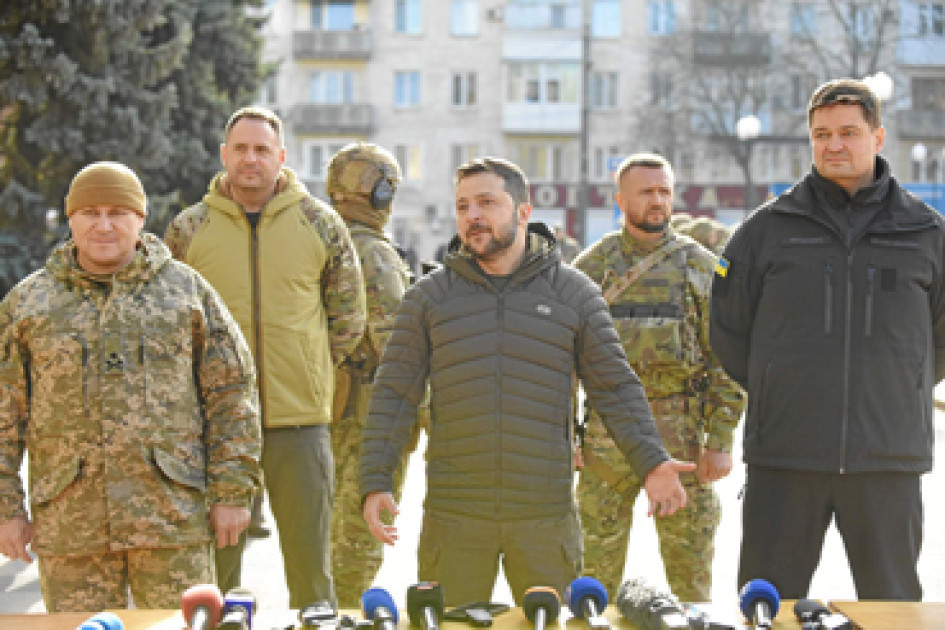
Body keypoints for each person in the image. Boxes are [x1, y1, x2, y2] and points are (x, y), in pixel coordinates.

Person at [359, 157, 695, 606]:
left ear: (521, 211)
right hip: (455, 517)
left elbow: (614, 387)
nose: (472, 216)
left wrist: (652, 463)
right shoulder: (428, 298)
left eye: (486, 202)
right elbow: (395, 394)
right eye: (462, 207)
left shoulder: (573, 293)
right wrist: (375, 480)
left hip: (545, 519)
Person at [710, 78, 945, 601]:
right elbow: (728, 329)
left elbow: (939, 337)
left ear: (878, 137)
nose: (833, 145)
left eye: (848, 132)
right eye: (821, 134)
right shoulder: (766, 229)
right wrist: (779, 385)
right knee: (767, 606)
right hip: (785, 456)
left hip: (888, 458)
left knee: (893, 607)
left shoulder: (926, 232)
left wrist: (895, 386)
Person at [0, 162, 261, 612]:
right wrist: (7, 508)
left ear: (140, 218)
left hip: (171, 521)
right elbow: (4, 414)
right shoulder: (29, 304)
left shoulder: (185, 292)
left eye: (118, 212)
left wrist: (233, 493)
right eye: (90, 212)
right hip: (71, 527)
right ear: (71, 219)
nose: (104, 225)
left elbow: (232, 394)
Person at [165, 107, 366, 607]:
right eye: (241, 149)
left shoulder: (319, 223)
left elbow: (348, 317)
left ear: (280, 157)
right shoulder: (191, 228)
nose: (250, 159)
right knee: (216, 572)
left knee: (310, 568)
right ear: (224, 155)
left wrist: (310, 368)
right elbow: (169, 324)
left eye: (261, 150)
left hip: (299, 424)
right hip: (215, 427)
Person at [573, 153, 745, 602]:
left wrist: (720, 441)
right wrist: (565, 436)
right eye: (646, 192)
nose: (657, 201)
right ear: (621, 200)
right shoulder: (591, 269)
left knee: (692, 584)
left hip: (683, 442)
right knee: (591, 580)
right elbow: (562, 360)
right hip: (605, 444)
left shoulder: (700, 267)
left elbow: (726, 359)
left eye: (664, 191)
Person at [324, 142, 417, 607]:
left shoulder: (325, 238)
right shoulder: (372, 253)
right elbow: (396, 343)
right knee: (359, 536)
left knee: (331, 531)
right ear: (380, 193)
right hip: (370, 416)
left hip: (333, 407)